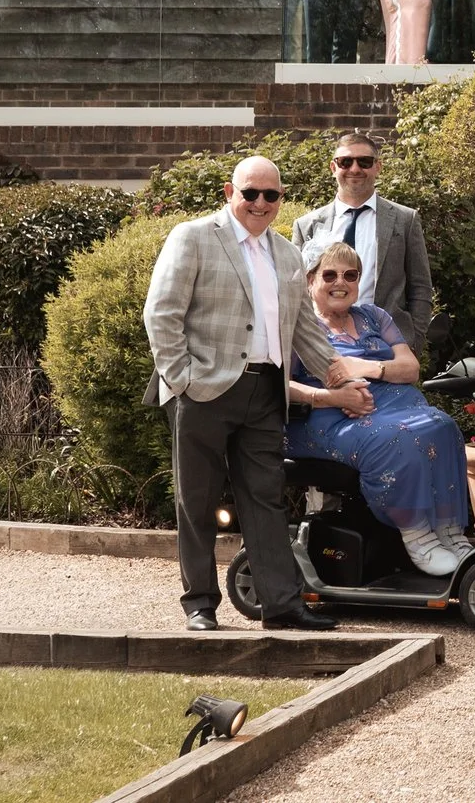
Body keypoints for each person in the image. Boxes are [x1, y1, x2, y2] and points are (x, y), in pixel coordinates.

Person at [142, 155, 345, 631]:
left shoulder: (288, 254)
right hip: (202, 391)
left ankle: (282, 605)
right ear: (229, 192)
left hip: (266, 391)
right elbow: (161, 313)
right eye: (250, 192)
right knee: (196, 501)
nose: (260, 202)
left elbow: (304, 328)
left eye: (270, 195)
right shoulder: (192, 237)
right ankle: (199, 604)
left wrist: (338, 377)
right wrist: (182, 378)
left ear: (280, 198)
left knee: (266, 500)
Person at [284, 241, 472, 574]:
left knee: (444, 426)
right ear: (310, 280)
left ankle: (448, 529)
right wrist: (333, 397)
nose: (341, 283)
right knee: (396, 439)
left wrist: (364, 366)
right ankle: (417, 533)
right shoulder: (299, 326)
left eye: (350, 275)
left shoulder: (374, 316)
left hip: (395, 406)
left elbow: (410, 369)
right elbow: (278, 384)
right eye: (329, 275)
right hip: (327, 416)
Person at [290, 133, 434, 353]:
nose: (355, 169)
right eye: (345, 162)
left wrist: (413, 342)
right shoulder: (306, 225)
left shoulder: (405, 220)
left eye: (364, 162)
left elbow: (421, 287)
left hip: (389, 345)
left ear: (377, 167)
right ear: (333, 167)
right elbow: (296, 290)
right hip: (322, 345)